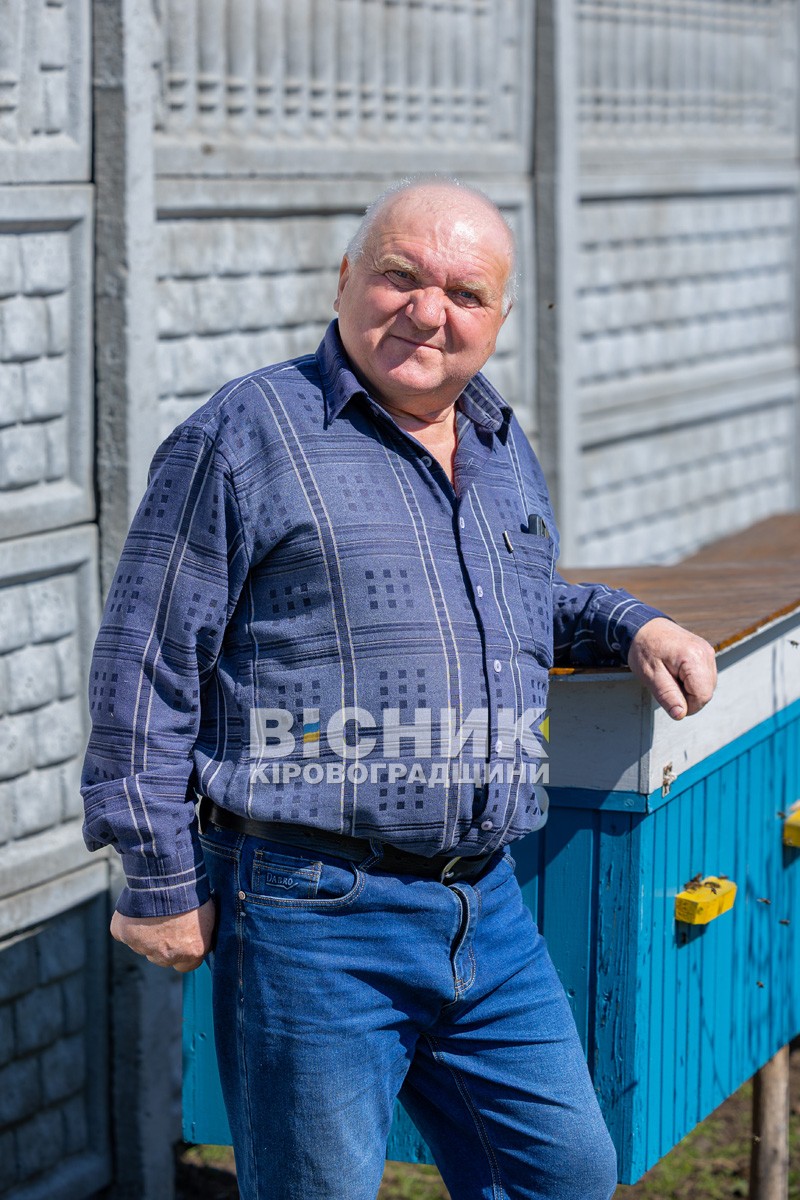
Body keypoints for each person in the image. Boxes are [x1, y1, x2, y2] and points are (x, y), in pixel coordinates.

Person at [81, 177, 716, 1200]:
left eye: (464, 293)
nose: (428, 311)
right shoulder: (247, 433)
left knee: (563, 1175)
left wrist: (630, 624)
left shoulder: (497, 443)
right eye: (399, 276)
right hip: (312, 911)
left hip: (486, 906)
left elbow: (513, 604)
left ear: (498, 318)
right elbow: (144, 661)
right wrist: (158, 875)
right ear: (345, 279)